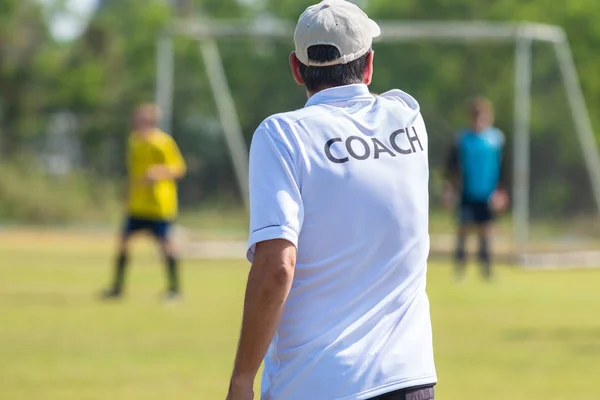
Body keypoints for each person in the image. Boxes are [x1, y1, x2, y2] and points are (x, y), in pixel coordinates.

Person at [226, 1, 436, 399]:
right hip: (410, 379)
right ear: (369, 64)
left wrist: (241, 379)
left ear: (295, 67)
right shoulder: (409, 119)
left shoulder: (281, 135)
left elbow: (276, 267)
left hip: (315, 383)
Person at [102, 104, 186, 301]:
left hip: (159, 205)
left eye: (144, 120)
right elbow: (134, 172)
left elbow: (179, 169)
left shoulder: (163, 142)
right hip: (137, 204)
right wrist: (128, 191)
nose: (139, 123)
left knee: (166, 245)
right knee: (123, 242)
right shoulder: (134, 142)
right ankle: (117, 288)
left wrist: (159, 172)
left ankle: (174, 290)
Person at [443, 96, 508, 281]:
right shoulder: (462, 140)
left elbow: (503, 168)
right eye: (476, 116)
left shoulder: (495, 140)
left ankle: (486, 270)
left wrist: (501, 192)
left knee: (485, 232)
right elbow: (451, 167)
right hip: (467, 192)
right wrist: (449, 189)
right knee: (463, 230)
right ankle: (459, 270)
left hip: (487, 194)